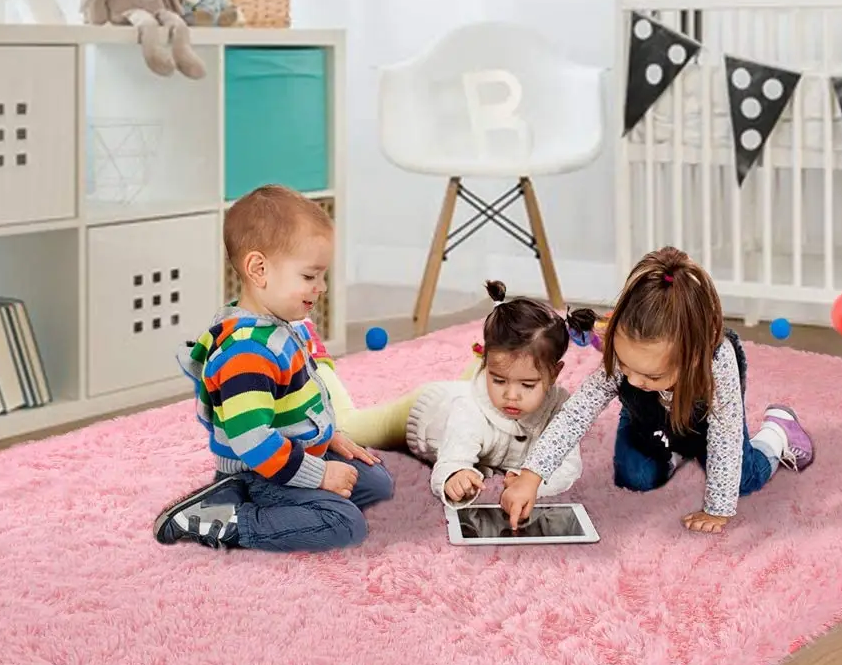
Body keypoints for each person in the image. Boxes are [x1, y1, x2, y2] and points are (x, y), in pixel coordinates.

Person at [501, 247, 814, 534]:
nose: (634, 380)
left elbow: (726, 437)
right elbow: (576, 414)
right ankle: (675, 446)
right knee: (635, 476)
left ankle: (778, 432)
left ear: (692, 358)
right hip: (649, 419)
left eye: (651, 375)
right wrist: (532, 474)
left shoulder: (716, 361)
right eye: (626, 366)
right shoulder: (626, 349)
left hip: (704, 423)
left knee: (741, 479)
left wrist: (717, 510)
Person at [153, 185, 393, 553]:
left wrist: (327, 437)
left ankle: (295, 500)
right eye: (309, 277)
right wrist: (321, 474)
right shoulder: (246, 352)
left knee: (377, 483)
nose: (321, 288)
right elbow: (252, 441)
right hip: (260, 470)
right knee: (346, 524)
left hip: (295, 450)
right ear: (259, 270)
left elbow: (297, 401)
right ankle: (228, 518)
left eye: (322, 276)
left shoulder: (280, 326)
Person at [324, 281, 589, 505]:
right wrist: (455, 475)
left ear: (554, 374)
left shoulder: (560, 410)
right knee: (349, 426)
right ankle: (320, 363)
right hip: (424, 412)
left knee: (478, 388)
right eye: (499, 380)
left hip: (465, 395)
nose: (511, 395)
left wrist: (532, 484)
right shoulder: (468, 410)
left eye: (527, 385)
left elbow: (567, 466)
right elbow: (450, 461)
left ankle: (479, 372)